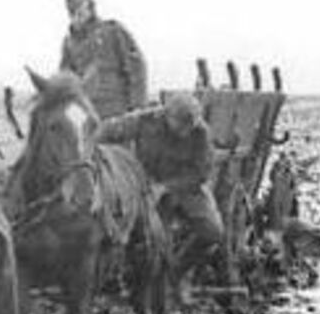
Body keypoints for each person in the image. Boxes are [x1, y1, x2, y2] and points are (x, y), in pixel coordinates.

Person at [94, 92, 225, 290]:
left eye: (190, 125)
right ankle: (132, 276)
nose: (185, 130)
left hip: (186, 187)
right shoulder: (145, 120)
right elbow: (111, 129)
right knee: (152, 240)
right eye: (181, 124)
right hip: (147, 187)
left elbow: (201, 172)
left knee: (212, 231)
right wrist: (88, 141)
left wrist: (166, 187)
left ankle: (177, 271)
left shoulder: (200, 133)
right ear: (166, 116)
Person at [58, 0, 148, 119]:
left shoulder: (113, 31)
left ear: (90, 8)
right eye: (72, 12)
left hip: (119, 113)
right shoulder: (69, 43)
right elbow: (65, 79)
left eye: (81, 9)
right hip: (88, 116)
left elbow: (137, 68)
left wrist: (137, 107)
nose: (77, 15)